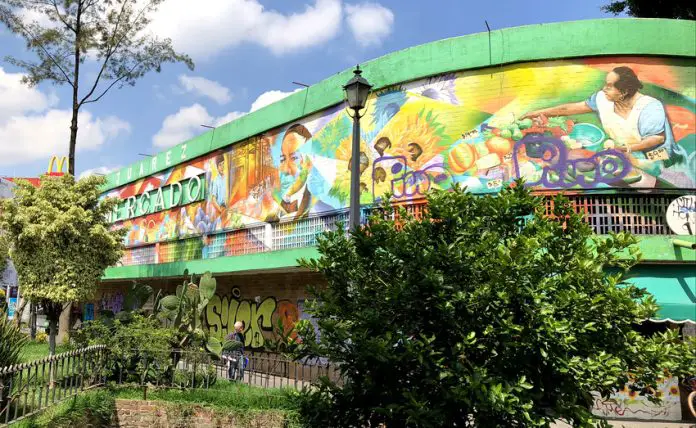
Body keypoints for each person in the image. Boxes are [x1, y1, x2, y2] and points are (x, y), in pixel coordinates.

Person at [521, 66, 688, 186]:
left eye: (609, 86)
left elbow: (657, 138)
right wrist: (538, 113)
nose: (604, 89)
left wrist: (629, 149)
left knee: (655, 186)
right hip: (626, 156)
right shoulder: (603, 99)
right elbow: (571, 108)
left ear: (624, 92)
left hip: (658, 158)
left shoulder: (650, 107)